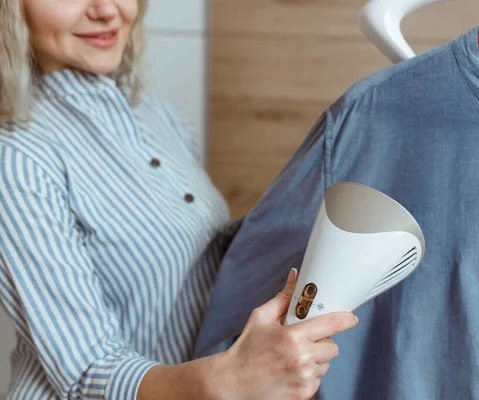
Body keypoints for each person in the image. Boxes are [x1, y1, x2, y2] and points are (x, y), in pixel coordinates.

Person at [0, 0, 359, 398]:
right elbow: (86, 371)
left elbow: (201, 265)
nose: (105, 9)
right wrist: (227, 380)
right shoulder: (16, 157)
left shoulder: (160, 116)